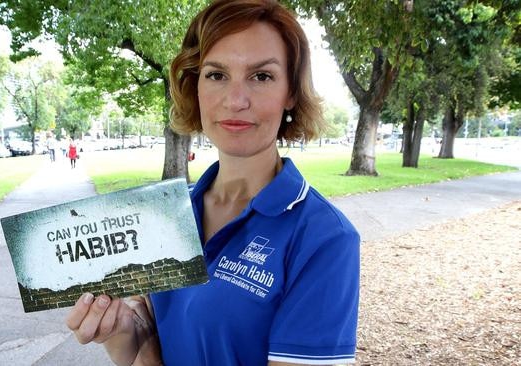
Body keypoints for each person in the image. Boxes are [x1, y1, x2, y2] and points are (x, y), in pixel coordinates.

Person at [65, 1, 360, 365]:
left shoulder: (325, 238)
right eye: (217, 75)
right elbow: (152, 343)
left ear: (291, 92)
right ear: (196, 85)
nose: (236, 100)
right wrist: (127, 336)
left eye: (261, 76)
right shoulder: (169, 213)